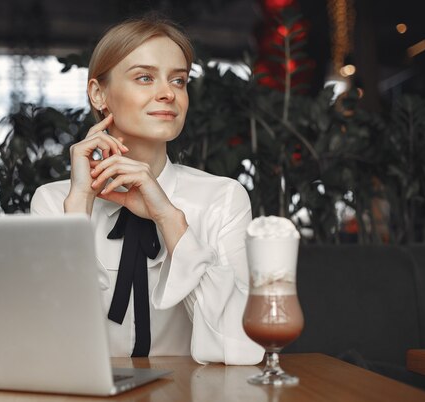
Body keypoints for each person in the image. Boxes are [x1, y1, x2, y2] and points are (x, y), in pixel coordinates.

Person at [30, 16, 264, 365]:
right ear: (99, 94)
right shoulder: (53, 202)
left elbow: (241, 349)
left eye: (179, 80)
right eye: (144, 77)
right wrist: (79, 207)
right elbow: (50, 343)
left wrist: (169, 219)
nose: (169, 93)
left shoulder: (222, 198)